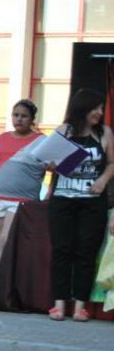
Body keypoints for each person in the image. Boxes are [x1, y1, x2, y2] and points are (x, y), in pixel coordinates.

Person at [47, 88, 114, 322]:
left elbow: (112, 163)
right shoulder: (63, 131)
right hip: (62, 200)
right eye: (95, 108)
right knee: (61, 250)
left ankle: (80, 306)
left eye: (101, 108)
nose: (99, 112)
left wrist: (103, 180)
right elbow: (47, 161)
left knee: (86, 251)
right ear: (82, 108)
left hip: (92, 202)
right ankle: (58, 304)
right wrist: (51, 164)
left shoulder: (104, 133)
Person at [0, 99, 44, 243]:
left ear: (32, 119)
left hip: (23, 201)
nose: (19, 119)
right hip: (0, 198)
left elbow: (54, 165)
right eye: (16, 115)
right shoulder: (3, 137)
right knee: (3, 240)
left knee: (12, 241)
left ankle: (2, 259)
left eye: (24, 116)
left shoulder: (40, 141)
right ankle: (1, 259)